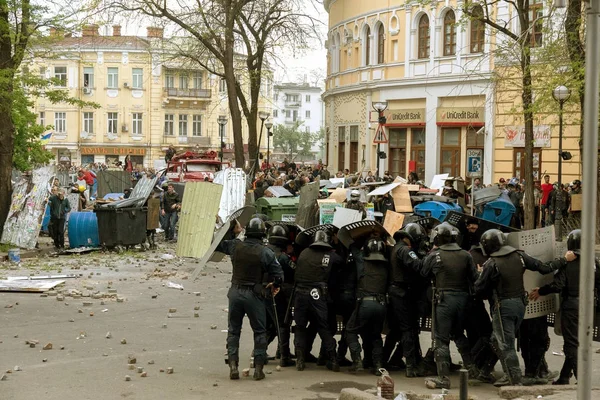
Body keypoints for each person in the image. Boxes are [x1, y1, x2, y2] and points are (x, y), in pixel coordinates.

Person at [474, 229, 567, 386]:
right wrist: (563, 260)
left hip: (503, 306)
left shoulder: (491, 264)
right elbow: (544, 267)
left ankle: (514, 379)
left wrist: (479, 274)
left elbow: (478, 289)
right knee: (497, 340)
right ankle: (487, 371)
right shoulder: (520, 256)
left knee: (505, 344)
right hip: (520, 305)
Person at [216, 218, 283, 381]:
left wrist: (231, 228)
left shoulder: (235, 246)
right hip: (254, 294)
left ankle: (233, 366)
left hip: (235, 292)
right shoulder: (266, 252)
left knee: (233, 330)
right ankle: (258, 369)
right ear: (262, 234)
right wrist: (271, 284)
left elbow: (219, 244)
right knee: (259, 331)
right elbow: (279, 275)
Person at [414, 223, 479, 389]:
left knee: (441, 339)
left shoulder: (435, 255)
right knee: (458, 334)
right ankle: (472, 369)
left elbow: (422, 273)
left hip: (444, 300)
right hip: (463, 300)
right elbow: (474, 277)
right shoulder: (465, 255)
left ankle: (443, 377)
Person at [530, 230, 597, 385]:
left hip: (572, 305)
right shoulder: (593, 260)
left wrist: (541, 291)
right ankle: (564, 377)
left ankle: (582, 380)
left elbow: (558, 285)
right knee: (577, 341)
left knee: (571, 344)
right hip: (588, 304)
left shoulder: (569, 263)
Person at [293, 229, 343, 372]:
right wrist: (338, 244)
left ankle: (300, 360)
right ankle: (333, 360)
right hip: (318, 295)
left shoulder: (304, 253)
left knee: (300, 327)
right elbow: (342, 263)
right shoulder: (331, 255)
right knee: (323, 326)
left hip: (300, 294)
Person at [388, 223, 429, 377]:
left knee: (402, 329)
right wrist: (427, 257)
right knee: (408, 329)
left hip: (397, 293)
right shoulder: (405, 250)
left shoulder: (396, 248)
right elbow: (418, 266)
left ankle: (392, 360)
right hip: (401, 293)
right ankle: (411, 366)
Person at [346, 237, 390, 375]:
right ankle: (377, 365)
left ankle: (357, 360)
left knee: (350, 330)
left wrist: (364, 235)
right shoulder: (387, 265)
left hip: (365, 303)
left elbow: (352, 247)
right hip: (381, 304)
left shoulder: (362, 262)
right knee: (375, 334)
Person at [265, 225, 296, 367]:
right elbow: (293, 272)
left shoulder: (264, 252)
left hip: (263, 292)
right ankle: (284, 355)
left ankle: (262, 350)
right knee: (282, 323)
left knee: (270, 324)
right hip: (279, 293)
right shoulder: (283, 258)